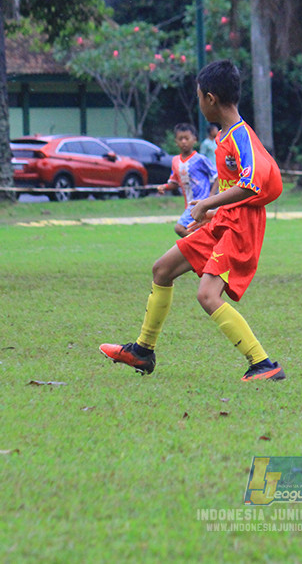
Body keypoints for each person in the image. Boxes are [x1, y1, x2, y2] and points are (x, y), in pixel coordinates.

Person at [100, 60, 286, 382]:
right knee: (162, 269)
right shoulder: (225, 136)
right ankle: (143, 351)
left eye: (199, 96)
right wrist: (213, 211)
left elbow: (252, 184)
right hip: (223, 221)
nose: (199, 103)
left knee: (207, 295)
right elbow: (236, 187)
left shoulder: (242, 136)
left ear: (210, 99)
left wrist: (207, 204)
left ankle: (263, 364)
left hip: (240, 228)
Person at [157, 123, 218, 237]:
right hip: (189, 203)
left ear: (194, 139)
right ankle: (205, 245)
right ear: (176, 141)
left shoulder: (200, 159)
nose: (184, 142)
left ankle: (202, 245)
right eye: (180, 139)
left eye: (187, 138)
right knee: (198, 231)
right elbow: (175, 182)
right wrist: (165, 187)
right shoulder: (175, 161)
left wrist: (211, 196)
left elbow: (217, 176)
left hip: (201, 202)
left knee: (179, 228)